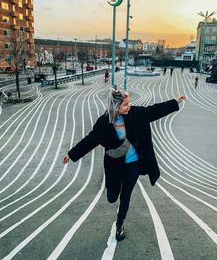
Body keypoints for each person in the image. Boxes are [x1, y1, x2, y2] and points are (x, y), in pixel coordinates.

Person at [63, 87, 186, 241]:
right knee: (112, 197)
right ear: (116, 107)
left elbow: (153, 111)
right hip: (114, 166)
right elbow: (91, 140)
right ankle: (113, 196)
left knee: (126, 196)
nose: (129, 107)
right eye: (125, 105)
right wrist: (71, 154)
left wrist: (174, 102)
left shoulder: (136, 114)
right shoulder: (104, 123)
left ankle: (120, 224)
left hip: (133, 165)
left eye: (129, 103)